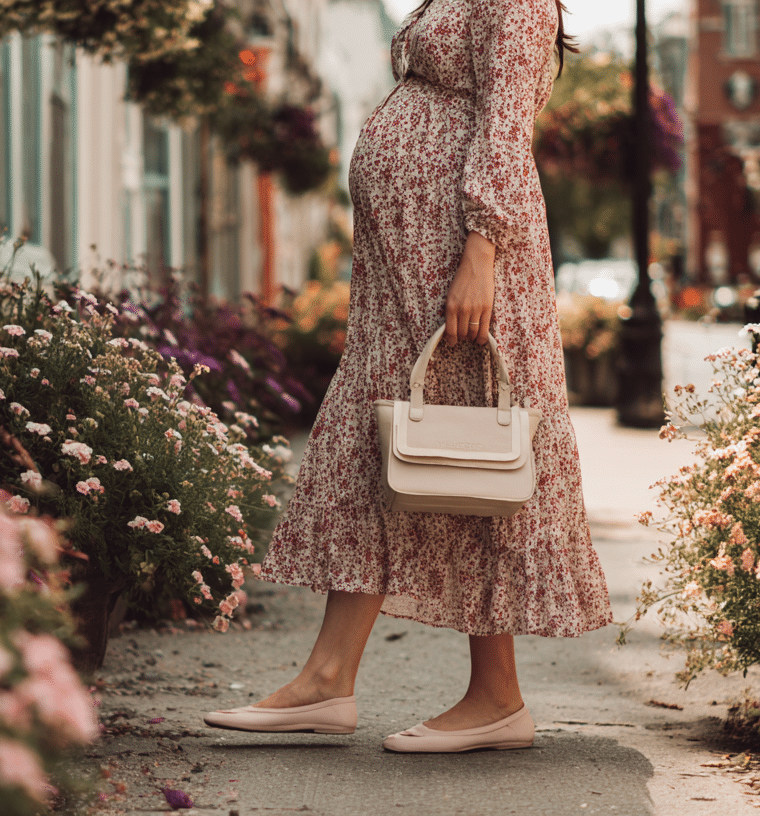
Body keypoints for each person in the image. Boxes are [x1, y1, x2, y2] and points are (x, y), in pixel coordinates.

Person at [203, 0, 613, 753]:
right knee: (394, 451)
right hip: (409, 269)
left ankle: (488, 696)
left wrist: (482, 251)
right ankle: (339, 680)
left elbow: (504, 124)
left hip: (458, 261)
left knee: (471, 463)